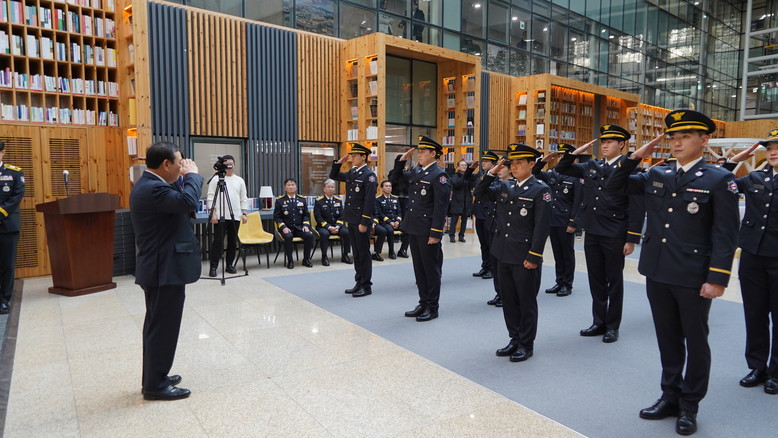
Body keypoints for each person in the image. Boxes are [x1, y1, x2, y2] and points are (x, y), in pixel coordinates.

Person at [606, 110, 739, 435]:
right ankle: (670, 395)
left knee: (696, 340)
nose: (677, 143)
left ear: (704, 140)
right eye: (673, 137)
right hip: (658, 270)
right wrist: (635, 156)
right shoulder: (658, 173)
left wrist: (717, 278)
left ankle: (689, 405)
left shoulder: (718, 179)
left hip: (694, 275)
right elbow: (613, 184)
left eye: (685, 137)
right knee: (667, 338)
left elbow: (725, 233)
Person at [555, 125, 646, 343]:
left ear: (621, 144)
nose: (604, 145)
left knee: (614, 281)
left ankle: (612, 325)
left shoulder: (630, 169)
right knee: (595, 279)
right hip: (593, 230)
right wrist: (574, 153)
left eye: (609, 142)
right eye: (602, 142)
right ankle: (598, 321)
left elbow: (636, 206)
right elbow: (562, 168)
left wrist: (632, 238)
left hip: (615, 232)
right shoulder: (592, 166)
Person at [130, 141, 203, 401]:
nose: (182, 167)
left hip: (161, 267)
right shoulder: (153, 188)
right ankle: (155, 385)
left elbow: (181, 204)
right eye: (179, 163)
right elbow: (187, 201)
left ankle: (155, 376)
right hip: (164, 270)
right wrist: (193, 175)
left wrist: (182, 178)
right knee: (163, 329)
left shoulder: (151, 184)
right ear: (166, 164)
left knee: (157, 326)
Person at [474, 144, 551, 362]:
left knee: (525, 302)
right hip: (502, 252)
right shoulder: (505, 186)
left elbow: (541, 227)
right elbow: (479, 193)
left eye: (519, 163)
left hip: (524, 255)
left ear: (532, 164)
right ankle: (514, 338)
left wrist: (534, 256)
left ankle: (526, 344)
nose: (514, 167)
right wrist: (491, 173)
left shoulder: (541, 190)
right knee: (508, 300)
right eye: (512, 163)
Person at [721, 131, 778, 395]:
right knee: (754, 314)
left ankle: (776, 372)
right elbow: (722, 183)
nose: (773, 151)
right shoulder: (755, 177)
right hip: (753, 255)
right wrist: (734, 161)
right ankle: (757, 366)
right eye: (770, 148)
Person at [391, 135, 451, 321]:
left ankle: (432, 307)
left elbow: (441, 207)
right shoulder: (418, 171)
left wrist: (436, 233)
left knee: (430, 270)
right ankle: (423, 302)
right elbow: (394, 180)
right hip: (414, 227)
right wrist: (401, 161)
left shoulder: (439, 176)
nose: (420, 154)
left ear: (433, 154)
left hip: (427, 230)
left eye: (423, 152)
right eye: (420, 151)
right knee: (419, 269)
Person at [533, 143, 584, 297]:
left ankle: (567, 284)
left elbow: (579, 202)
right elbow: (535, 173)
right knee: (557, 253)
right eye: (560, 156)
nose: (561, 158)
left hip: (566, 220)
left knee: (567, 254)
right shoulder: (553, 174)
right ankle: (559, 281)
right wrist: (542, 162)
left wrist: (573, 222)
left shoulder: (577, 177)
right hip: (553, 219)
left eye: (564, 156)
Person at [330, 143, 377, 298]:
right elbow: (334, 176)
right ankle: (359, 281)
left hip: (361, 220)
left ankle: (366, 285)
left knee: (363, 253)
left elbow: (369, 201)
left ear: (363, 157)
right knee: (356, 253)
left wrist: (364, 222)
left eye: (355, 155)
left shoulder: (369, 176)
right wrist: (338, 163)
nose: (352, 158)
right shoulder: (353, 172)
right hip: (351, 218)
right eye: (352, 155)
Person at [206, 155, 248, 277]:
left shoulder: (239, 180)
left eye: (231, 164)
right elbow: (210, 197)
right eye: (226, 164)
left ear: (234, 165)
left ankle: (230, 265)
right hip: (220, 216)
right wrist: (213, 213)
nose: (229, 166)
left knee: (232, 242)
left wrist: (244, 213)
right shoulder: (216, 179)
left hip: (235, 216)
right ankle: (213, 267)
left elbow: (243, 198)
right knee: (218, 242)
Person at [0, 141, 25, 315]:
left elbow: (17, 195)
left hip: (8, 225)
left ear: (3, 152)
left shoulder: (14, 172)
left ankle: (4, 300)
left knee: (7, 265)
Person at [274, 178, 315, 269]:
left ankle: (306, 259)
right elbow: (277, 217)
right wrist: (283, 227)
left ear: (296, 187)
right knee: (288, 237)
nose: (291, 187)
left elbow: (306, 215)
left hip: (299, 228)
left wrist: (305, 225)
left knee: (309, 235)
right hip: (287, 228)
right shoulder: (280, 200)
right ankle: (290, 260)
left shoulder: (302, 199)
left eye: (293, 185)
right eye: (288, 185)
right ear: (285, 188)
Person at [472, 151, 500, 280]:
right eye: (483, 161)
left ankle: (492, 269)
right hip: (479, 213)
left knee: (490, 243)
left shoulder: (497, 178)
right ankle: (485, 265)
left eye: (486, 161)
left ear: (494, 164)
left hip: (489, 213)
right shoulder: (481, 175)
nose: (483, 163)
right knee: (483, 243)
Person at [314, 179, 353, 266]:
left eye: (332, 187)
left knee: (346, 232)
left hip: (337, 226)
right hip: (324, 226)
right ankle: (324, 256)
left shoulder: (338, 200)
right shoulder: (319, 201)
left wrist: (337, 226)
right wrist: (329, 227)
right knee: (324, 234)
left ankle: (345, 255)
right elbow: (318, 217)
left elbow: (342, 216)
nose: (330, 189)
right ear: (324, 189)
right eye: (328, 187)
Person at [374, 180, 407, 260]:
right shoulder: (378, 199)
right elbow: (380, 214)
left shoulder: (395, 198)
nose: (389, 188)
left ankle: (402, 250)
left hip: (396, 221)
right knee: (390, 230)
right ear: (382, 188)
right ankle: (391, 252)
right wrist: (390, 222)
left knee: (408, 229)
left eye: (390, 186)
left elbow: (399, 212)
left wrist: (398, 221)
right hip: (384, 222)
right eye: (386, 186)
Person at [388, 155, 411, 258]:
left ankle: (403, 249)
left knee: (407, 225)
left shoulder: (408, 173)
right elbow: (393, 182)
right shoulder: (393, 173)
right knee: (394, 221)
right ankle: (392, 249)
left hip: (406, 199)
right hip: (395, 198)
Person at [448, 159, 476, 243]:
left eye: (465, 165)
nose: (464, 167)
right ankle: (452, 236)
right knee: (454, 220)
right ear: (458, 167)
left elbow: (472, 185)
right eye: (462, 165)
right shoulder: (454, 176)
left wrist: (470, 176)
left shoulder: (469, 176)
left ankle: (461, 236)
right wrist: (464, 176)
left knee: (464, 220)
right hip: (457, 201)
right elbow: (456, 184)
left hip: (466, 201)